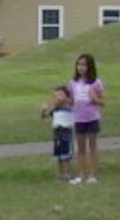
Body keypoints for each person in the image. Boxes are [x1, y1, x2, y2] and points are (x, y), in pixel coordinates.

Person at [67, 53, 105, 184]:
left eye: (83, 64)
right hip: (78, 119)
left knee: (92, 146)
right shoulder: (72, 83)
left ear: (89, 66)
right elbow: (71, 101)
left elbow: (103, 102)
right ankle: (81, 174)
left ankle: (93, 175)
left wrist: (95, 99)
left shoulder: (96, 82)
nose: (80, 67)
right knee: (81, 148)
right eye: (78, 64)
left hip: (92, 118)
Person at [43, 85, 75, 181]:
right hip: (57, 134)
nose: (57, 97)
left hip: (66, 133)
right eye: (55, 95)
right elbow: (44, 116)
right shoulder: (55, 109)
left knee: (66, 155)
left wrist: (67, 102)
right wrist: (43, 110)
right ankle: (60, 173)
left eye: (60, 94)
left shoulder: (68, 108)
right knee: (59, 155)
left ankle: (66, 173)